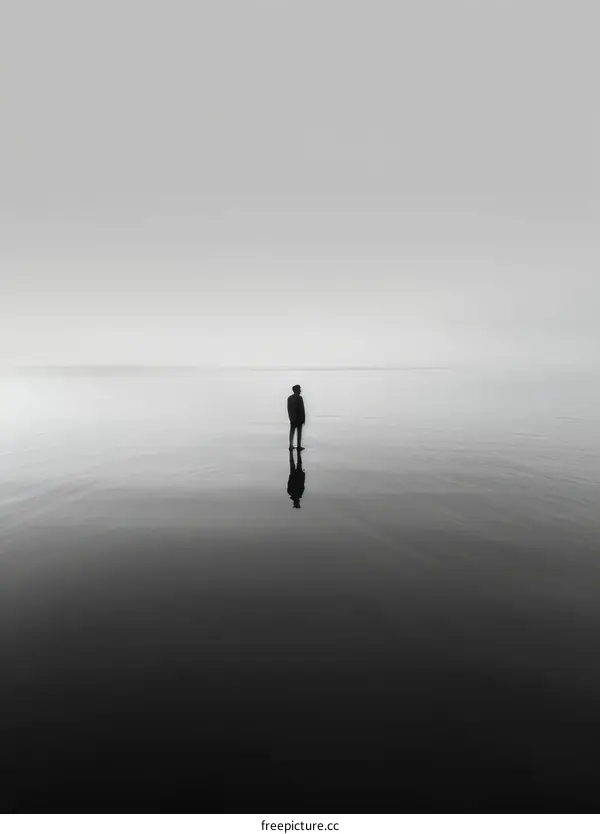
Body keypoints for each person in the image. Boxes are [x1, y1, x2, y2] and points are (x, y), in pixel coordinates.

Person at [287, 384, 305, 451]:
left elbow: (289, 409)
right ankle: (298, 446)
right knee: (298, 433)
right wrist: (303, 419)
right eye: (299, 389)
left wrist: (291, 418)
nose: (300, 390)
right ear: (296, 390)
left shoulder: (290, 398)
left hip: (293, 419)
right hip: (299, 419)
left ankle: (291, 446)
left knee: (292, 432)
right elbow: (302, 409)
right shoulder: (299, 398)